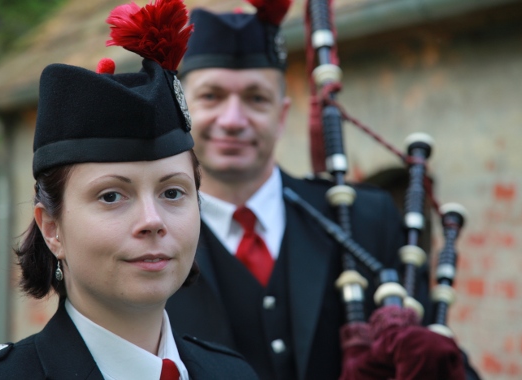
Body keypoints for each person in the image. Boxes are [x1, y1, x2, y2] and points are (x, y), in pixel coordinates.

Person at [166, 2, 482, 380]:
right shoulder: (150, 237)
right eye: (211, 97)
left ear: (282, 115)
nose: (233, 120)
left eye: (256, 98)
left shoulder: (365, 219)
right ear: (181, 111)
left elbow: (443, 356)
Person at [0, 1, 258, 379]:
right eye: (111, 196)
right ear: (52, 228)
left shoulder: (233, 373)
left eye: (172, 193)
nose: (152, 222)